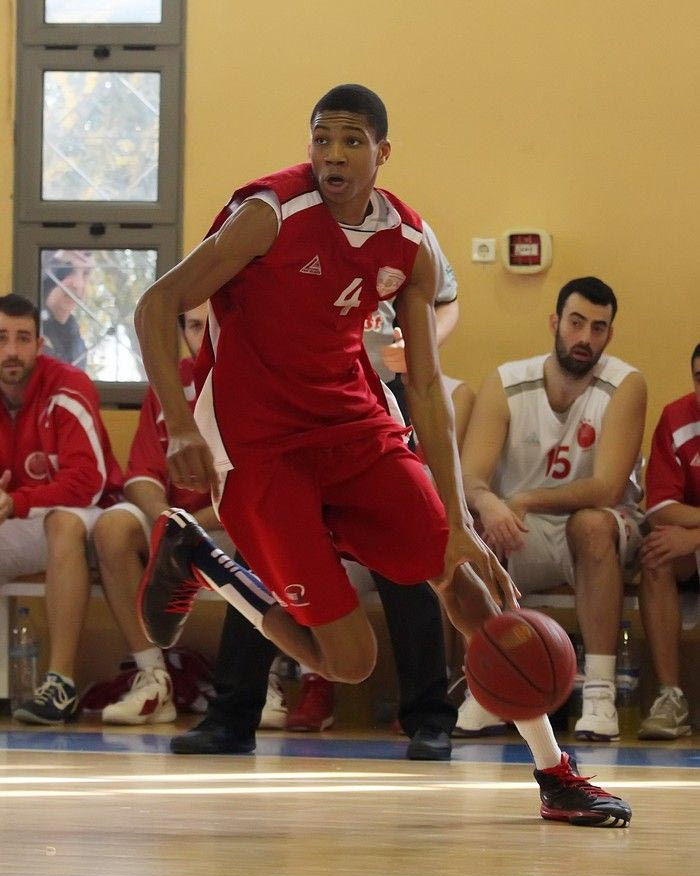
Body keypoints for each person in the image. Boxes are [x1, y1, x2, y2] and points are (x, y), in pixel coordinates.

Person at [134, 85, 631, 826]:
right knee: (349, 661)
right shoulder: (270, 215)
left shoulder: (409, 242)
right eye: (322, 139)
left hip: (354, 428)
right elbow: (156, 305)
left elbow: (425, 385)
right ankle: (206, 561)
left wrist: (457, 517)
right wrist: (179, 427)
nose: (333, 155)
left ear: (382, 153)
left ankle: (555, 772)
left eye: (352, 141)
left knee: (465, 579)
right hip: (261, 447)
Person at [171, 224, 464, 760]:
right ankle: (232, 714)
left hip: (373, 407)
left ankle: (428, 717)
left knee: (413, 562)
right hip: (296, 412)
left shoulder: (405, 233)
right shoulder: (285, 222)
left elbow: (446, 302)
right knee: (267, 551)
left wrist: (423, 342)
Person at [460, 276, 647, 743]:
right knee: (471, 529)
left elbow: (606, 488)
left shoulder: (625, 384)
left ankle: (599, 690)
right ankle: (484, 684)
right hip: (520, 530)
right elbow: (469, 478)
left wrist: (524, 499)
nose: (585, 338)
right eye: (576, 323)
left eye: (598, 328)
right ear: (555, 323)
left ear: (609, 335)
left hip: (598, 529)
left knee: (591, 525)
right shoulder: (506, 382)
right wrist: (491, 504)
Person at [90, 302, 277, 725]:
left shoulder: (260, 380)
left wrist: (187, 527)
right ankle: (153, 677)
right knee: (113, 527)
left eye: (212, 325)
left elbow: (262, 491)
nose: (203, 337)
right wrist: (169, 522)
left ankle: (263, 680)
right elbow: (141, 477)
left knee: (268, 530)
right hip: (177, 520)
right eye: (193, 326)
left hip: (233, 521)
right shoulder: (168, 384)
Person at [0, 293, 123, 724]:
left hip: (96, 513)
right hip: (25, 517)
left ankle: (60, 683)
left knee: (63, 524)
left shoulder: (68, 385)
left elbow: (88, 483)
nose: (11, 350)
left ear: (39, 344)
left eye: (22, 338)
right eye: (1, 338)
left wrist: (17, 501)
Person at [637, 341, 700, 739]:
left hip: (693, 538)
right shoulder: (677, 417)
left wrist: (694, 537)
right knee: (656, 553)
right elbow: (660, 509)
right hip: (687, 547)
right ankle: (671, 698)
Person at [40, 250, 91, 369]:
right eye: (67, 269)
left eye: (85, 274)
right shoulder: (28, 330)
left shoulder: (78, 345)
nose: (78, 285)